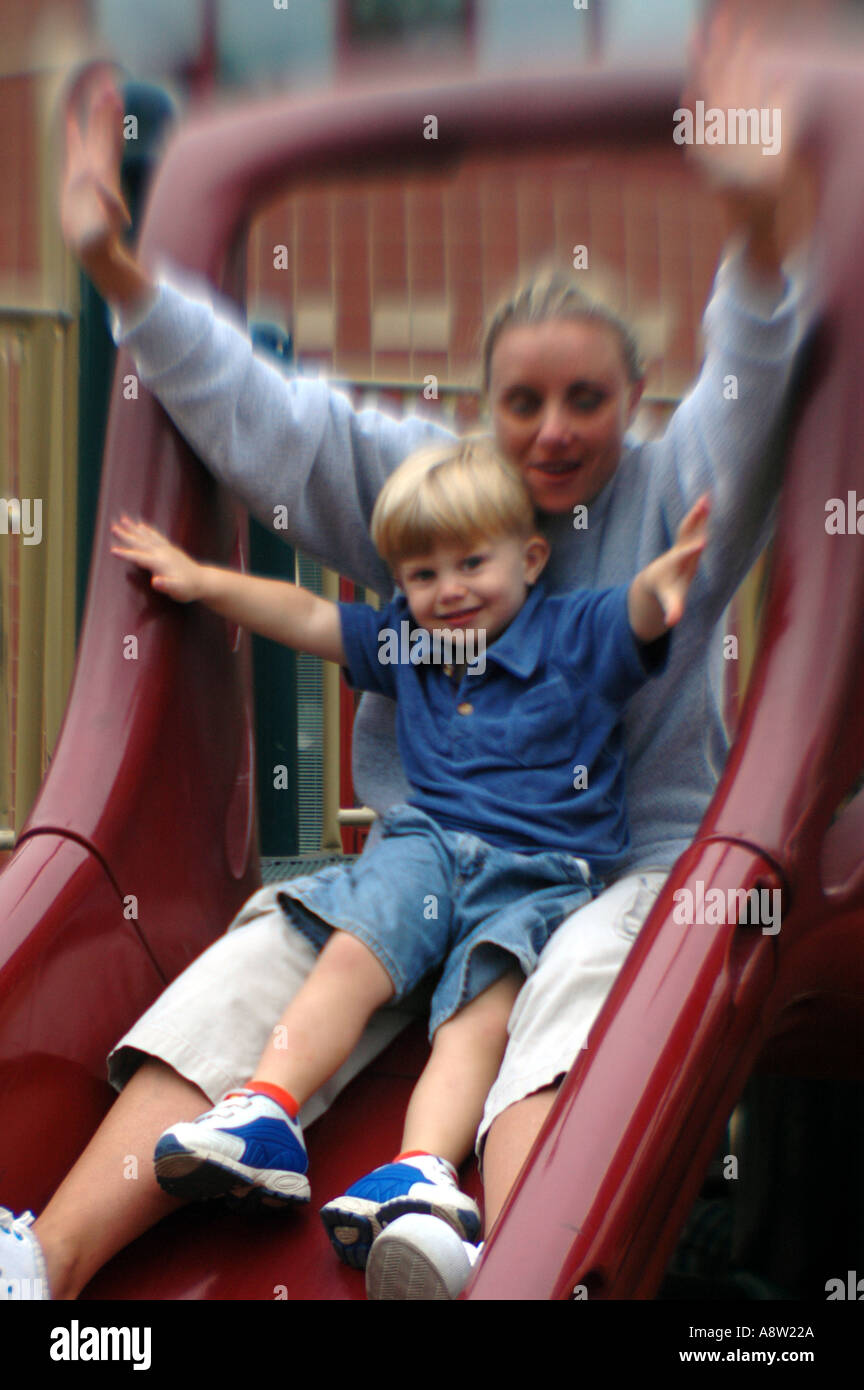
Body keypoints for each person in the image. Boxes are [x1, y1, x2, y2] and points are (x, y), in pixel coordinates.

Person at [0, 26, 809, 1302]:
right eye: (523, 405)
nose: (553, 433)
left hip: (611, 865)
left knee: (584, 990)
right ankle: (48, 1262)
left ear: (638, 399)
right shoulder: (442, 502)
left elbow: (756, 387)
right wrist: (115, 266)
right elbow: (275, 430)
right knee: (278, 949)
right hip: (431, 854)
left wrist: (764, 237)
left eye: (588, 402)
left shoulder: (672, 491)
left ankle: (507, 1252)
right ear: (484, 412)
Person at [106, 438, 706, 1272]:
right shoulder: (414, 644)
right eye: (421, 575)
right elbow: (310, 617)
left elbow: (632, 616)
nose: (448, 590)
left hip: (539, 874)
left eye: (470, 562)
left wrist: (663, 584)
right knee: (352, 958)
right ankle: (265, 1110)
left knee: (475, 1026)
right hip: (423, 846)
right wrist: (205, 583)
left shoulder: (571, 630)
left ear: (531, 559)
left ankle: (423, 1173)